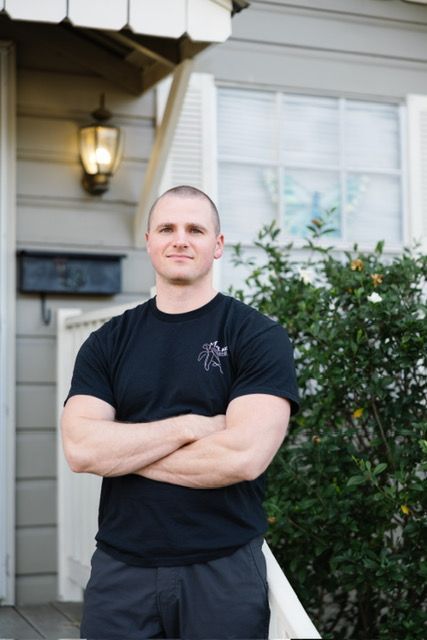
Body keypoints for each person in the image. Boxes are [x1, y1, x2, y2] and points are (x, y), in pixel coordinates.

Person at [61, 185, 300, 640]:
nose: (180, 239)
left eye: (195, 229)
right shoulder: (107, 342)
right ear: (149, 240)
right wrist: (192, 427)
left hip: (221, 569)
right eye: (167, 228)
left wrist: (126, 451)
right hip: (120, 571)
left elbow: (242, 457)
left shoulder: (257, 336)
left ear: (218, 245)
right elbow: (82, 449)